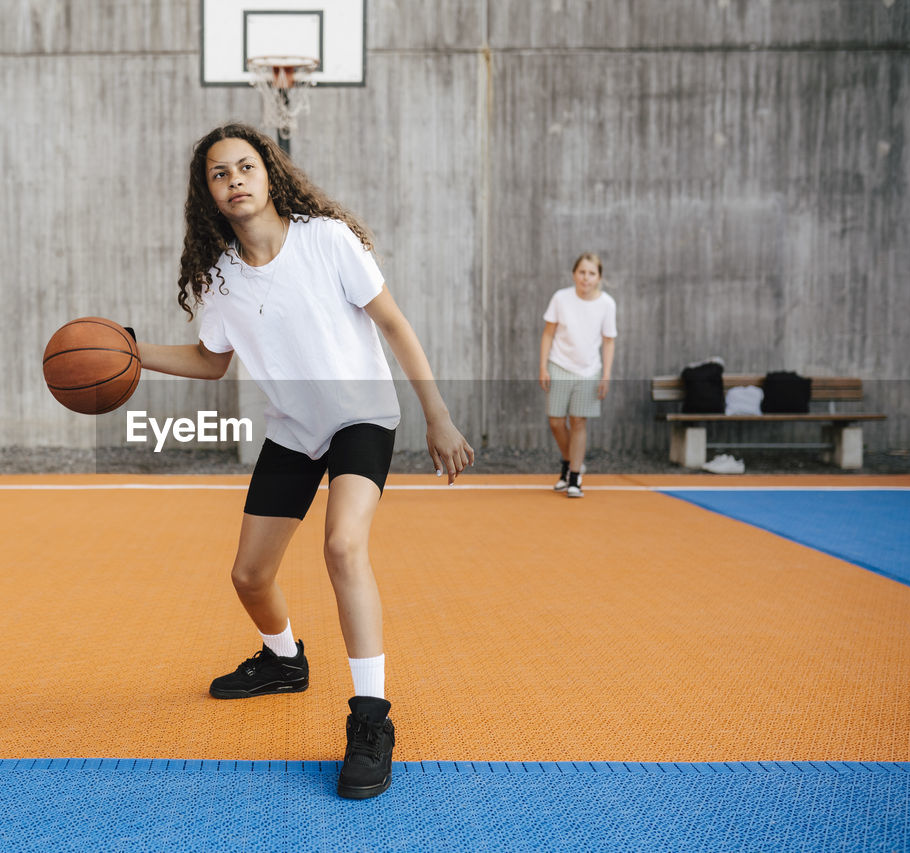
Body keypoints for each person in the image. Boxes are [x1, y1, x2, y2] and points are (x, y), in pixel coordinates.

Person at [134, 123, 473, 800]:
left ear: (270, 172)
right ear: (207, 194)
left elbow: (394, 324)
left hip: (361, 414)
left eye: (245, 166)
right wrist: (132, 352)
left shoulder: (326, 240)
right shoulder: (219, 277)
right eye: (219, 174)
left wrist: (437, 413)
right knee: (249, 575)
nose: (235, 180)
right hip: (294, 427)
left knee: (343, 546)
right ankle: (286, 660)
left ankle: (371, 719)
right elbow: (210, 359)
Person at [539, 253, 617, 498]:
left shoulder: (607, 304)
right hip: (560, 365)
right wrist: (543, 366)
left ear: (599, 277)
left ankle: (574, 477)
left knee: (579, 422)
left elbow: (608, 341)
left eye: (591, 273)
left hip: (588, 371)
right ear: (574, 274)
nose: (586, 277)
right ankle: (569, 460)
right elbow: (548, 333)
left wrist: (605, 375)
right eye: (582, 272)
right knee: (555, 421)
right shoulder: (560, 298)